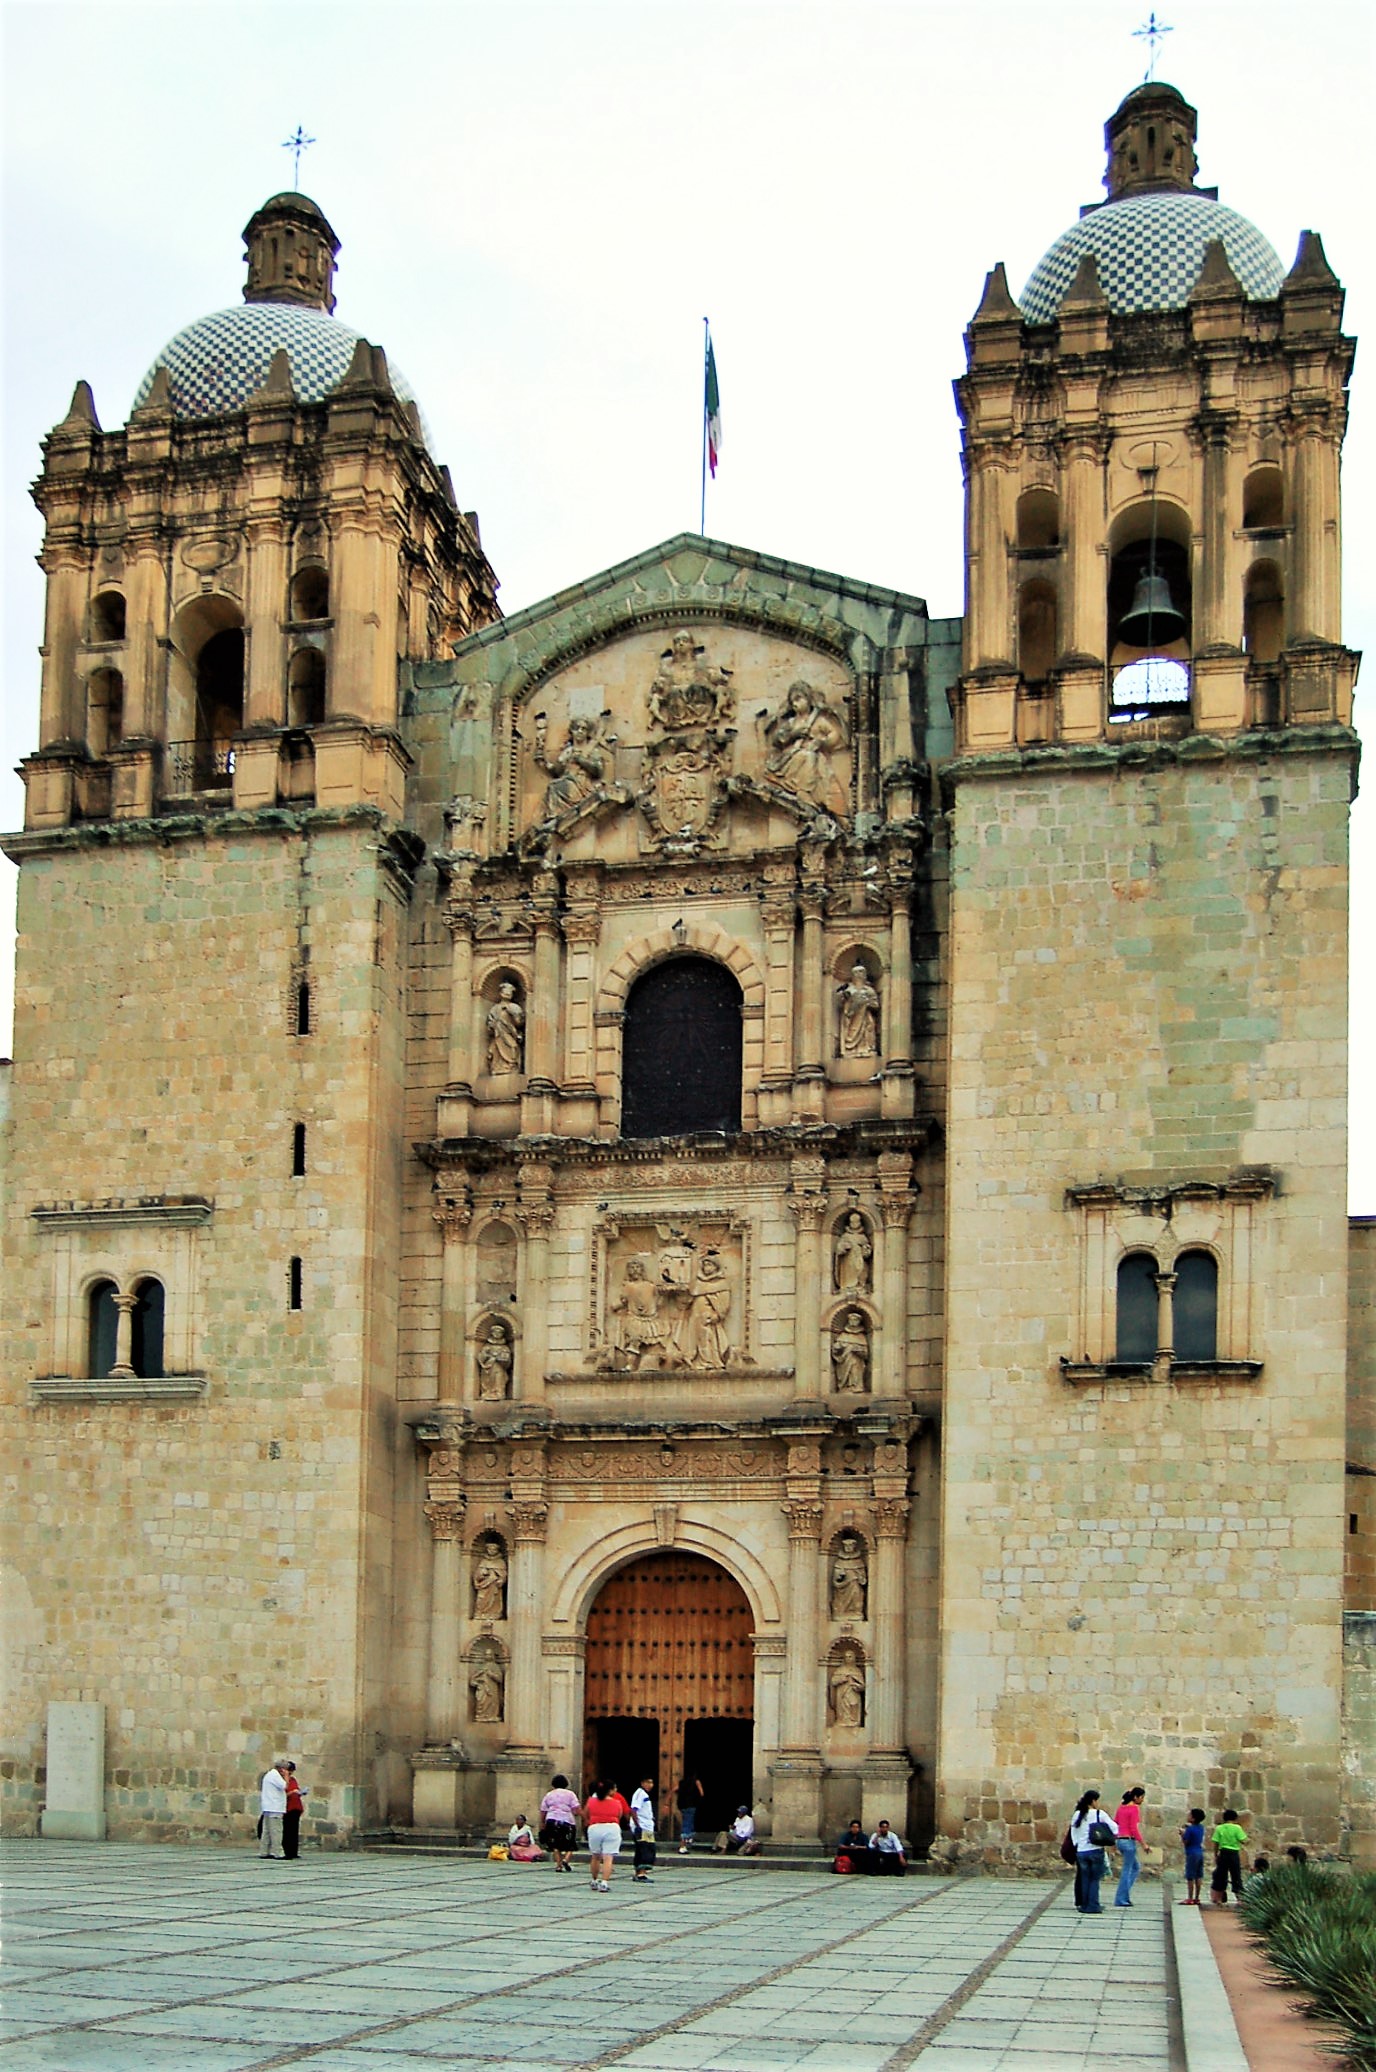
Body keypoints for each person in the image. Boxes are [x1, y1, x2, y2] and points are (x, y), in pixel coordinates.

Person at [1069, 1789, 1117, 1913]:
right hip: (1095, 1850)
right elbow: (1115, 1828)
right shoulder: (1099, 1814)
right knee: (1094, 1879)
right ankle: (1093, 1905)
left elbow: (1073, 1833)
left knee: (1084, 1878)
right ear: (1093, 1801)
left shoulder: (1077, 1814)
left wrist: (1078, 1845)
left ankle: (1084, 1905)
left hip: (1081, 1851)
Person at [584, 1779, 628, 1893]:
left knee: (595, 1856)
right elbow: (619, 1815)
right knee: (608, 1857)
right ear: (610, 1790)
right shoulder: (616, 1802)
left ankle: (594, 1880)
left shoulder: (591, 1801)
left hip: (595, 1827)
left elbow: (586, 1814)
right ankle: (604, 1882)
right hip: (611, 1828)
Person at [540, 1773, 579, 1873]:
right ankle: (566, 1859)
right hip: (567, 1820)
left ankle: (558, 1866)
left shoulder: (549, 1794)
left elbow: (543, 1810)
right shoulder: (570, 1794)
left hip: (552, 1820)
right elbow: (575, 1808)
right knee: (570, 1843)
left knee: (555, 1845)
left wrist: (542, 1822)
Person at [1113, 1785, 1146, 1907]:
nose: (1142, 1800)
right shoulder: (1134, 1809)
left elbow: (1115, 1823)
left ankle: (1124, 1895)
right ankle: (1121, 1898)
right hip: (1128, 1840)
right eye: (1141, 1797)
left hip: (1120, 1840)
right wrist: (1143, 1844)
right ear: (1136, 1797)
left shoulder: (1121, 1808)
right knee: (1127, 1870)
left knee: (1135, 1867)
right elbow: (1133, 1828)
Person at [1210, 1808, 1248, 1904]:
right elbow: (1243, 1840)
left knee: (1221, 1876)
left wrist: (1215, 1855)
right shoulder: (1237, 1828)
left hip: (1223, 1853)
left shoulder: (1219, 1828)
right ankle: (1239, 1899)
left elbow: (1216, 1843)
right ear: (1235, 1818)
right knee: (1236, 1875)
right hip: (1234, 1854)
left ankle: (1219, 1898)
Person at [258, 1760, 289, 1861]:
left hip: (268, 1807)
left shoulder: (269, 1775)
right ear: (281, 1769)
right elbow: (285, 1786)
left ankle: (264, 1851)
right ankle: (278, 1852)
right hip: (275, 1808)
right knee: (276, 1831)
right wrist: (286, 1776)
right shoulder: (275, 1776)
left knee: (267, 1831)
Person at [630, 1775, 657, 1883]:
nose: (650, 1785)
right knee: (644, 1849)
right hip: (643, 1826)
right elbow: (634, 1810)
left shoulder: (645, 1794)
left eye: (651, 1782)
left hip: (648, 1825)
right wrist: (638, 1825)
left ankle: (640, 1872)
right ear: (642, 1783)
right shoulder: (639, 1794)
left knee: (647, 1848)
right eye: (648, 1782)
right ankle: (641, 1873)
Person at [1179, 1807, 1206, 1906]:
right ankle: (1197, 1898)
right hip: (1199, 1852)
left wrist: (1182, 1834)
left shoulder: (1190, 1829)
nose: (1188, 1816)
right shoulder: (1201, 1827)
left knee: (1190, 1876)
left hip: (1191, 1853)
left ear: (1193, 1818)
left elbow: (1186, 1842)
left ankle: (1190, 1897)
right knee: (1198, 1875)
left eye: (1190, 1815)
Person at [282, 1761, 307, 1861]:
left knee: (294, 1831)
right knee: (287, 1831)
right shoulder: (282, 1781)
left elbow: (296, 1790)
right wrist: (292, 1792)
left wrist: (300, 1792)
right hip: (288, 1808)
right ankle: (287, 1852)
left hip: (296, 1807)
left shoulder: (293, 1780)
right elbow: (282, 1794)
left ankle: (294, 1851)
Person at [676, 1772, 704, 1852]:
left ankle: (689, 1838)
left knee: (688, 1822)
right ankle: (683, 1845)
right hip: (691, 1805)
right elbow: (701, 1793)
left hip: (682, 1805)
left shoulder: (681, 1783)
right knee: (687, 1824)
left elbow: (674, 1789)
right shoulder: (696, 1782)